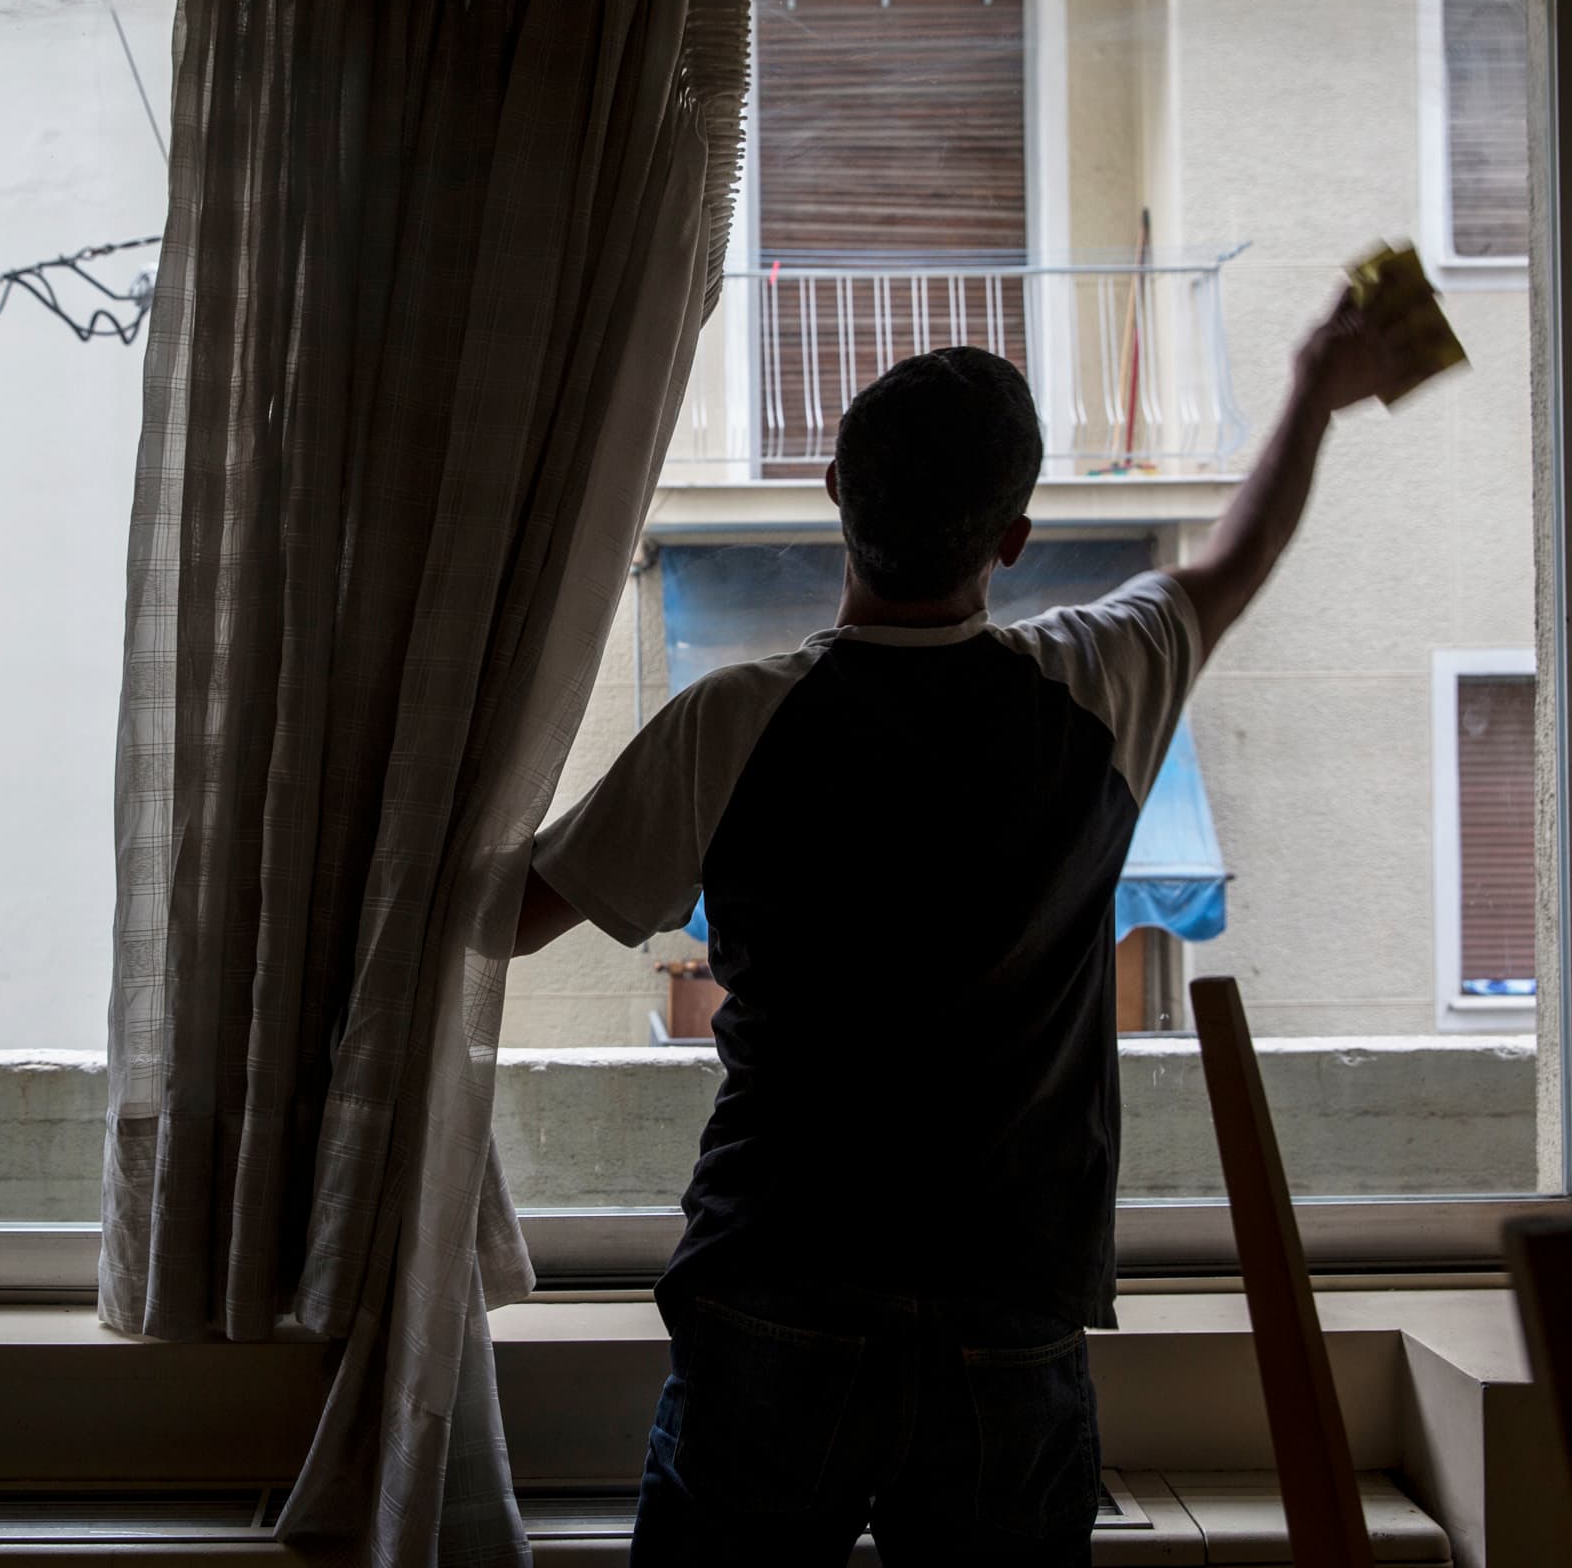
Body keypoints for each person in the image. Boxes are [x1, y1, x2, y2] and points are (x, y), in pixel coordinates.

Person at [512, 276, 1443, 1566]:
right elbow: (1235, 561)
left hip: (778, 1282)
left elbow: (511, 920)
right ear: (1010, 539)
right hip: (1008, 1308)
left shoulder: (731, 719)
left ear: (836, 487)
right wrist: (1311, 392)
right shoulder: (1099, 686)